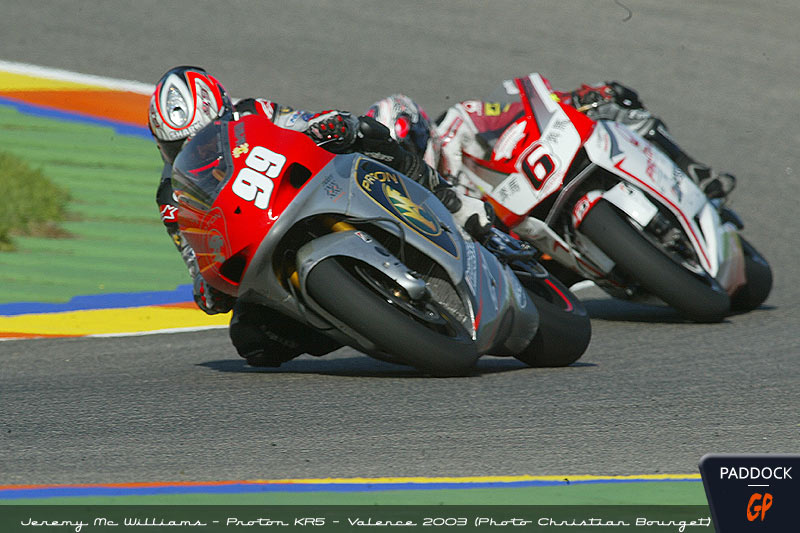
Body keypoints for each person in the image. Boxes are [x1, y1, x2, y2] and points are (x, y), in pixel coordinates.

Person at [148, 66, 491, 367]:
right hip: (259, 243)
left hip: (309, 189)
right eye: (178, 147)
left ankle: (452, 201)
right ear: (162, 146)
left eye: (202, 137)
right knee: (252, 340)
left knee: (369, 129)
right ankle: (358, 317)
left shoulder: (252, 113)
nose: (194, 150)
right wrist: (207, 288)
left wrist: (330, 124)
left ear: (223, 113)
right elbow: (194, 257)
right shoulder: (171, 196)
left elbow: (301, 121)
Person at [432, 77, 736, 200]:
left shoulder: (460, 119)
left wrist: (577, 99)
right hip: (514, 233)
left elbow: (525, 107)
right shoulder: (421, 196)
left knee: (616, 103)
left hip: (544, 166)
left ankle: (694, 172)